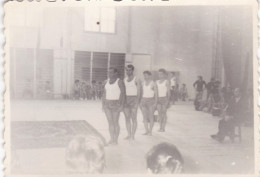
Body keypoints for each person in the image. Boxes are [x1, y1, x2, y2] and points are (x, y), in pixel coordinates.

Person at [102, 67, 126, 145]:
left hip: (116, 104)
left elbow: (123, 94)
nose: (109, 74)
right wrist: (103, 104)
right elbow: (104, 94)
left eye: (111, 72)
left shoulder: (120, 82)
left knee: (115, 122)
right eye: (108, 72)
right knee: (110, 122)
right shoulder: (106, 81)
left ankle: (116, 139)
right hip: (107, 104)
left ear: (116, 73)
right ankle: (112, 138)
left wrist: (121, 105)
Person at [123, 65, 141, 140]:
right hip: (126, 99)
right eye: (127, 70)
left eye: (129, 70)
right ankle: (129, 134)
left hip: (134, 99)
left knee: (134, 118)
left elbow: (139, 91)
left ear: (132, 70)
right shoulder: (124, 79)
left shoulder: (137, 79)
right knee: (127, 118)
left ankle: (133, 135)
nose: (128, 71)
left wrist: (137, 101)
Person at [140, 71, 158, 136]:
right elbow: (141, 93)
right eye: (144, 75)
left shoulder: (153, 83)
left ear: (150, 76)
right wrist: (140, 101)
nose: (145, 77)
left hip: (151, 101)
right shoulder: (142, 83)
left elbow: (156, 94)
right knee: (144, 117)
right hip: (144, 100)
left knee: (151, 117)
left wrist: (155, 102)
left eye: (146, 75)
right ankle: (146, 131)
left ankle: (150, 131)